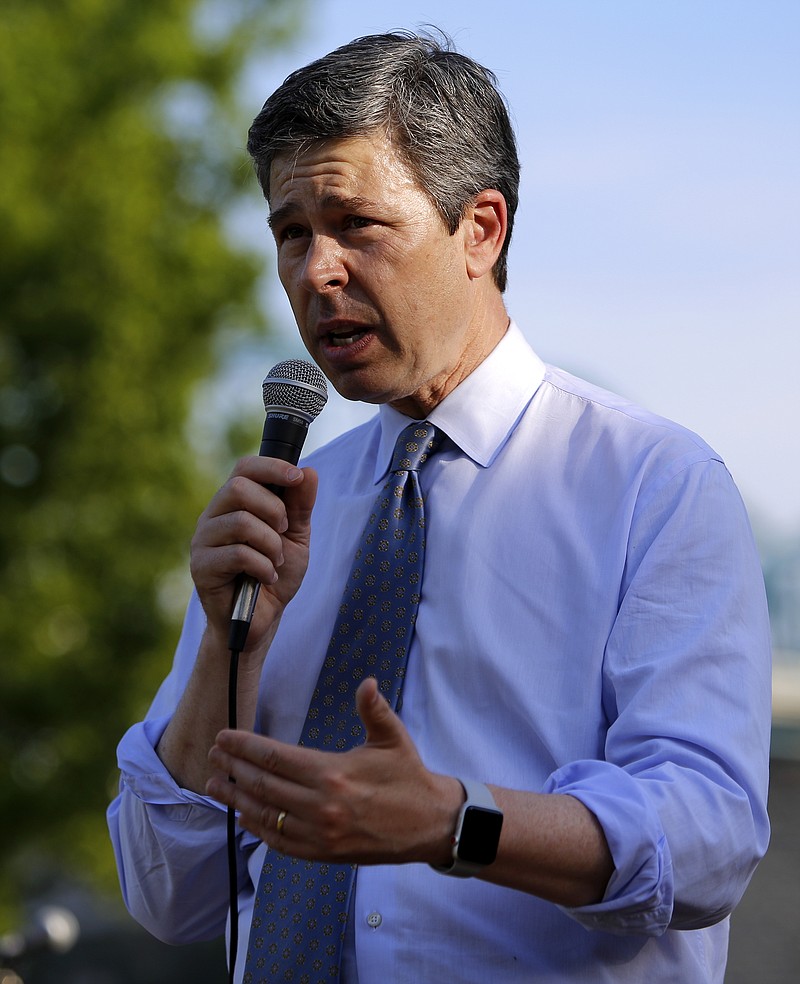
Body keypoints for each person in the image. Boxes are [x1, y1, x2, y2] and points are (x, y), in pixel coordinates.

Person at [107, 30, 771, 984]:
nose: (315, 271)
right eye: (291, 232)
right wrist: (224, 641)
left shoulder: (653, 485)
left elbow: (708, 838)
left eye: (356, 224)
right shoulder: (287, 509)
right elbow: (169, 895)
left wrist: (453, 821)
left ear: (481, 230)